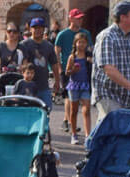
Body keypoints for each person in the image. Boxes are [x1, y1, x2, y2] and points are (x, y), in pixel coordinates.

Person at [56, 8, 93, 142]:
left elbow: (90, 49)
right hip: (70, 72)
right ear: (71, 19)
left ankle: (88, 134)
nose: (80, 20)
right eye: (77, 18)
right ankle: (71, 127)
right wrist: (59, 69)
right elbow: (57, 51)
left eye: (81, 18)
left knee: (86, 107)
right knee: (71, 104)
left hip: (85, 77)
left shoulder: (86, 33)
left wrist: (91, 61)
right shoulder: (63, 34)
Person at [18, 16, 58, 109]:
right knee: (29, 112)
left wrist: (57, 81)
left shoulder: (48, 46)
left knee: (46, 111)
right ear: (30, 29)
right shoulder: (24, 44)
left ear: (44, 29)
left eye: (40, 28)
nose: (37, 30)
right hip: (28, 86)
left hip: (44, 86)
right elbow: (21, 64)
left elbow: (54, 64)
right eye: (35, 28)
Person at [65, 30, 93, 143]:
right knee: (74, 110)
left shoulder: (88, 56)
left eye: (84, 42)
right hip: (74, 85)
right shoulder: (72, 57)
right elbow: (67, 72)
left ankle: (88, 135)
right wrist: (73, 70)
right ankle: (74, 134)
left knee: (86, 110)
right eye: (79, 42)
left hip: (85, 85)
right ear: (75, 43)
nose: (81, 45)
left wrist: (92, 62)